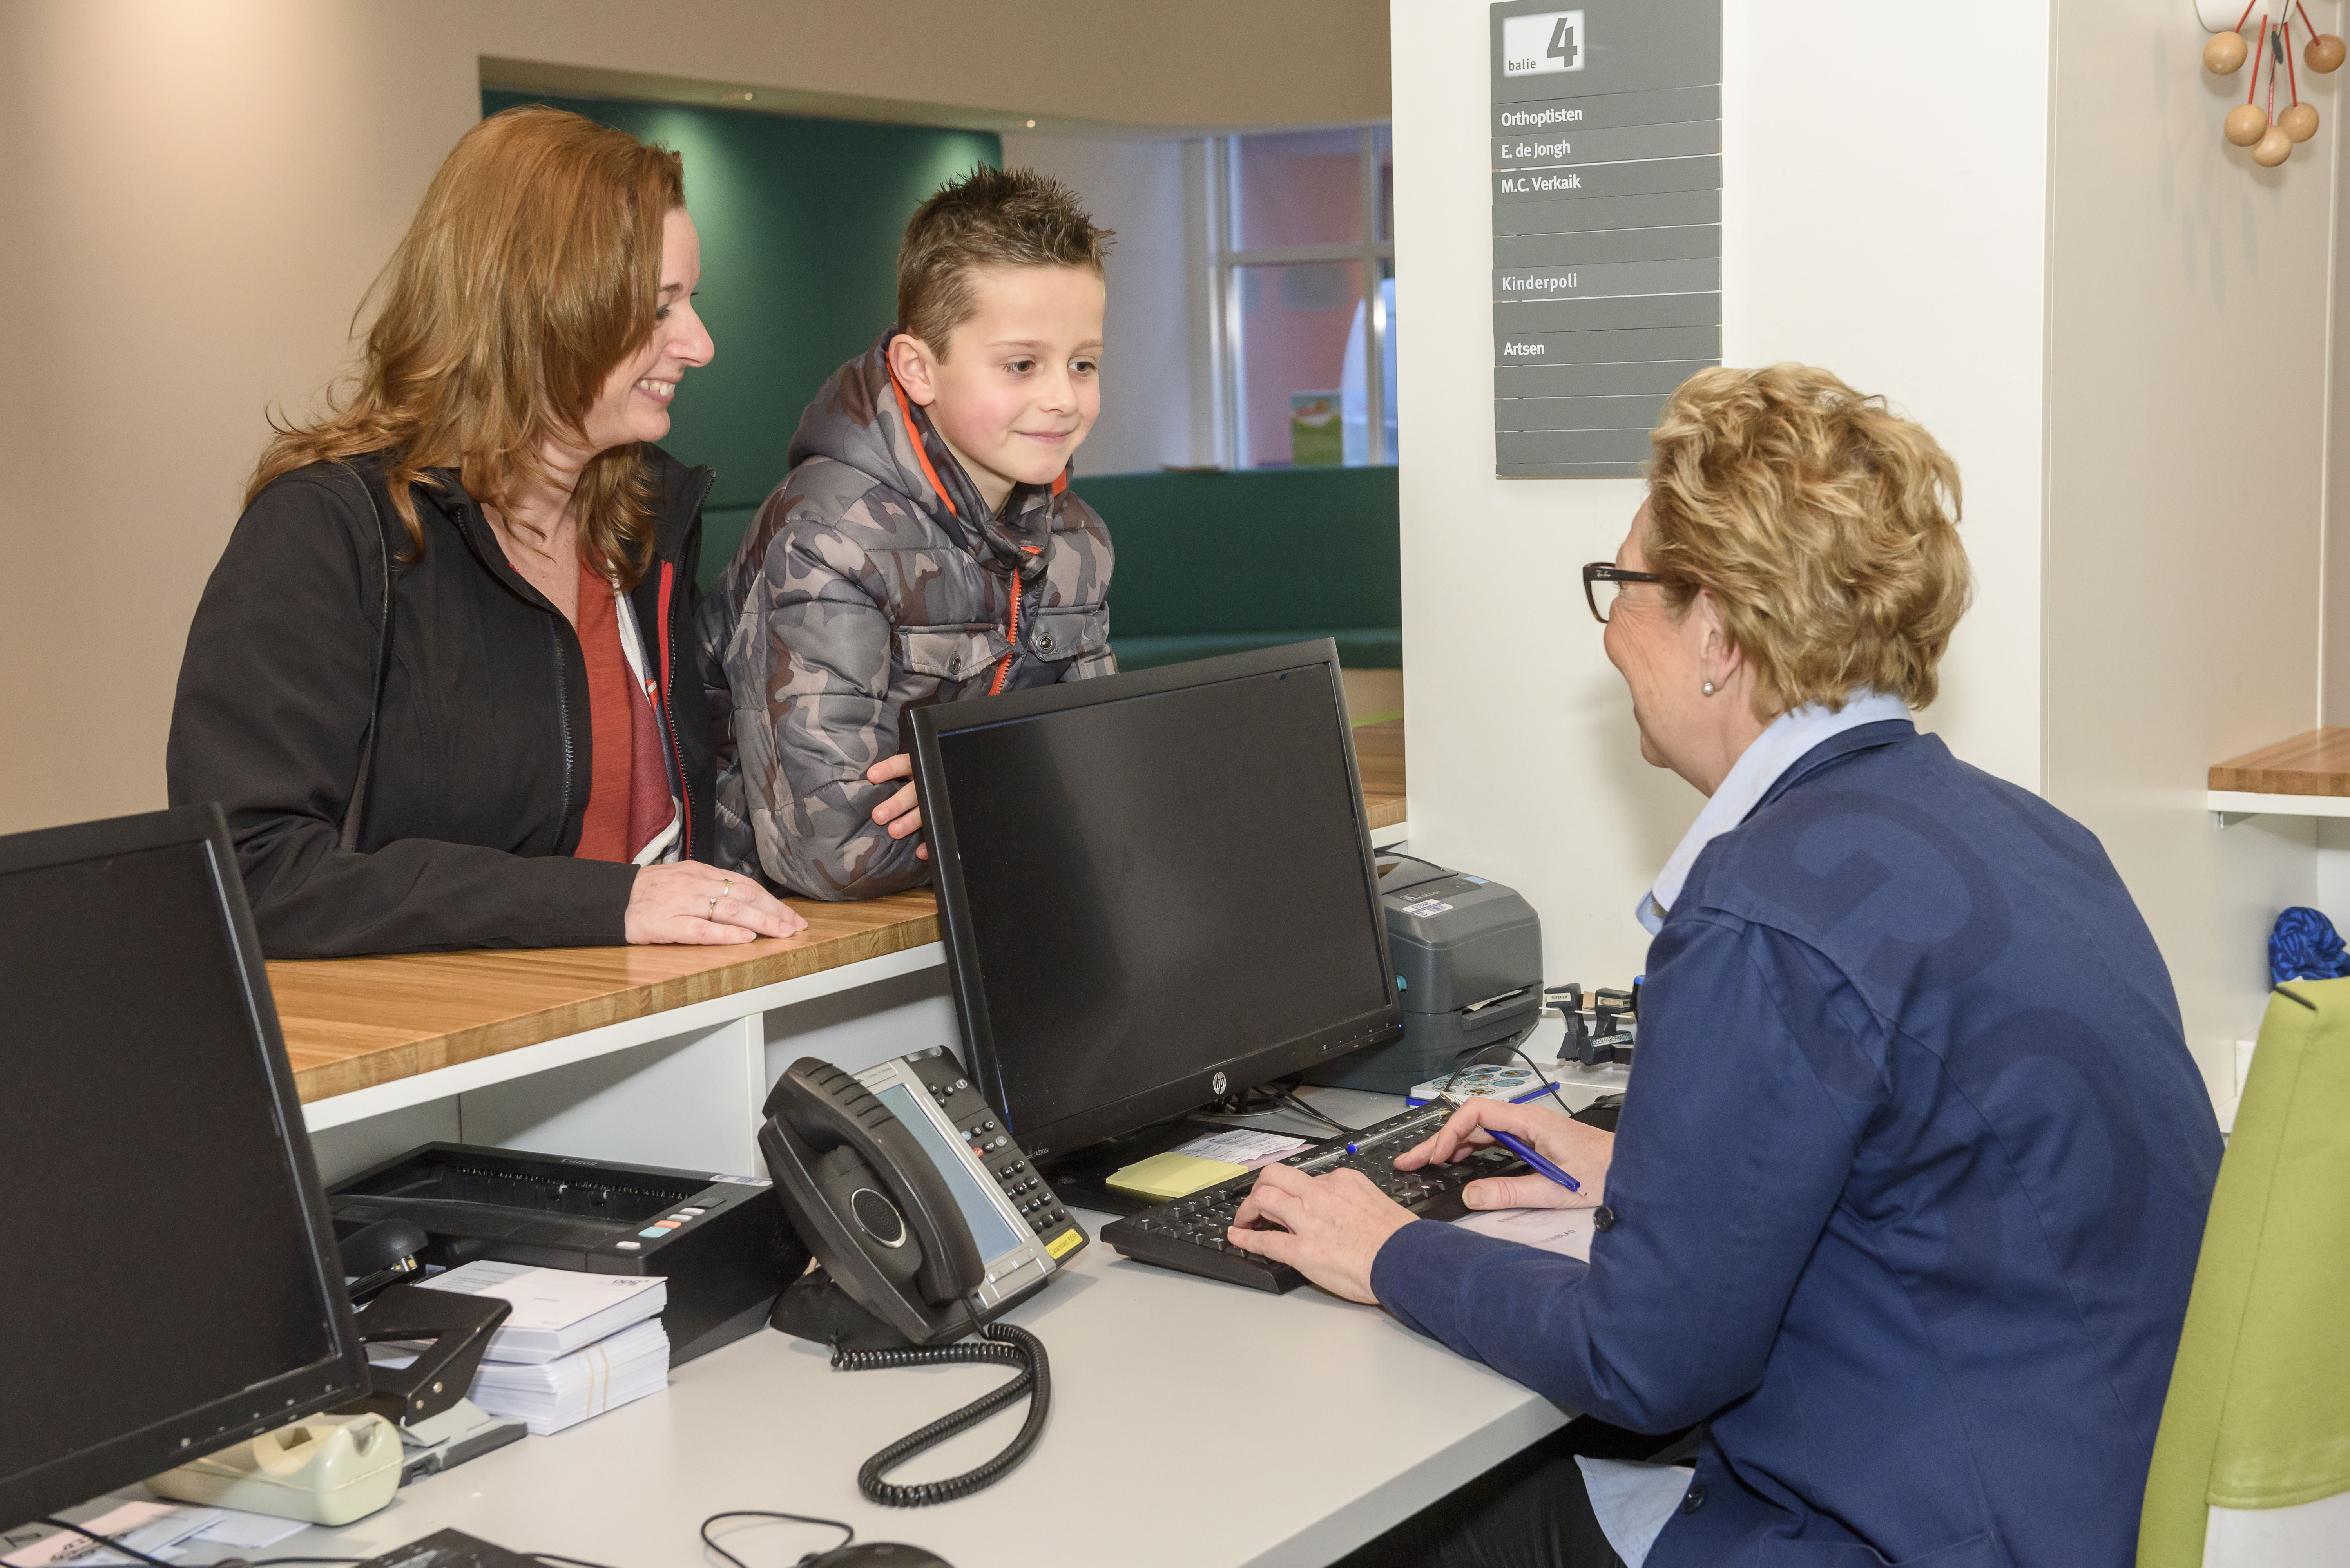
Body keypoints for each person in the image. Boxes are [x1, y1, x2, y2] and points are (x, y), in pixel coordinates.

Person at [1227, 366, 2222, 1568]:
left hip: (1922, 1536)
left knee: (1412, 1528)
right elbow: (1935, 1178)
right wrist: (1638, 1168)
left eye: (1622, 589)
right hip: (2087, 1499)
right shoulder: (2031, 836)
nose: (1607, 632)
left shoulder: (1756, 912)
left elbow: (1640, 1363)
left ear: (1713, 632)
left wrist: (1380, 1248)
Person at [169, 107, 805, 958]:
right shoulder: (327, 532)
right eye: (659, 309)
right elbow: (249, 871)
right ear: (539, 312)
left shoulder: (639, 530)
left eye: (690, 302)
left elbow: (702, 798)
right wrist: (601, 903)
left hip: (649, 1030)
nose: (699, 344)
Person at [702, 165, 1116, 900]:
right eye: (1021, 365)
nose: (1062, 398)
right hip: (786, 956)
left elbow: (1104, 777)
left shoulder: (1078, 542)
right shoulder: (829, 538)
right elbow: (829, 848)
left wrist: (969, 790)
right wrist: (1015, 796)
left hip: (972, 907)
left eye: (1083, 364)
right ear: (917, 369)